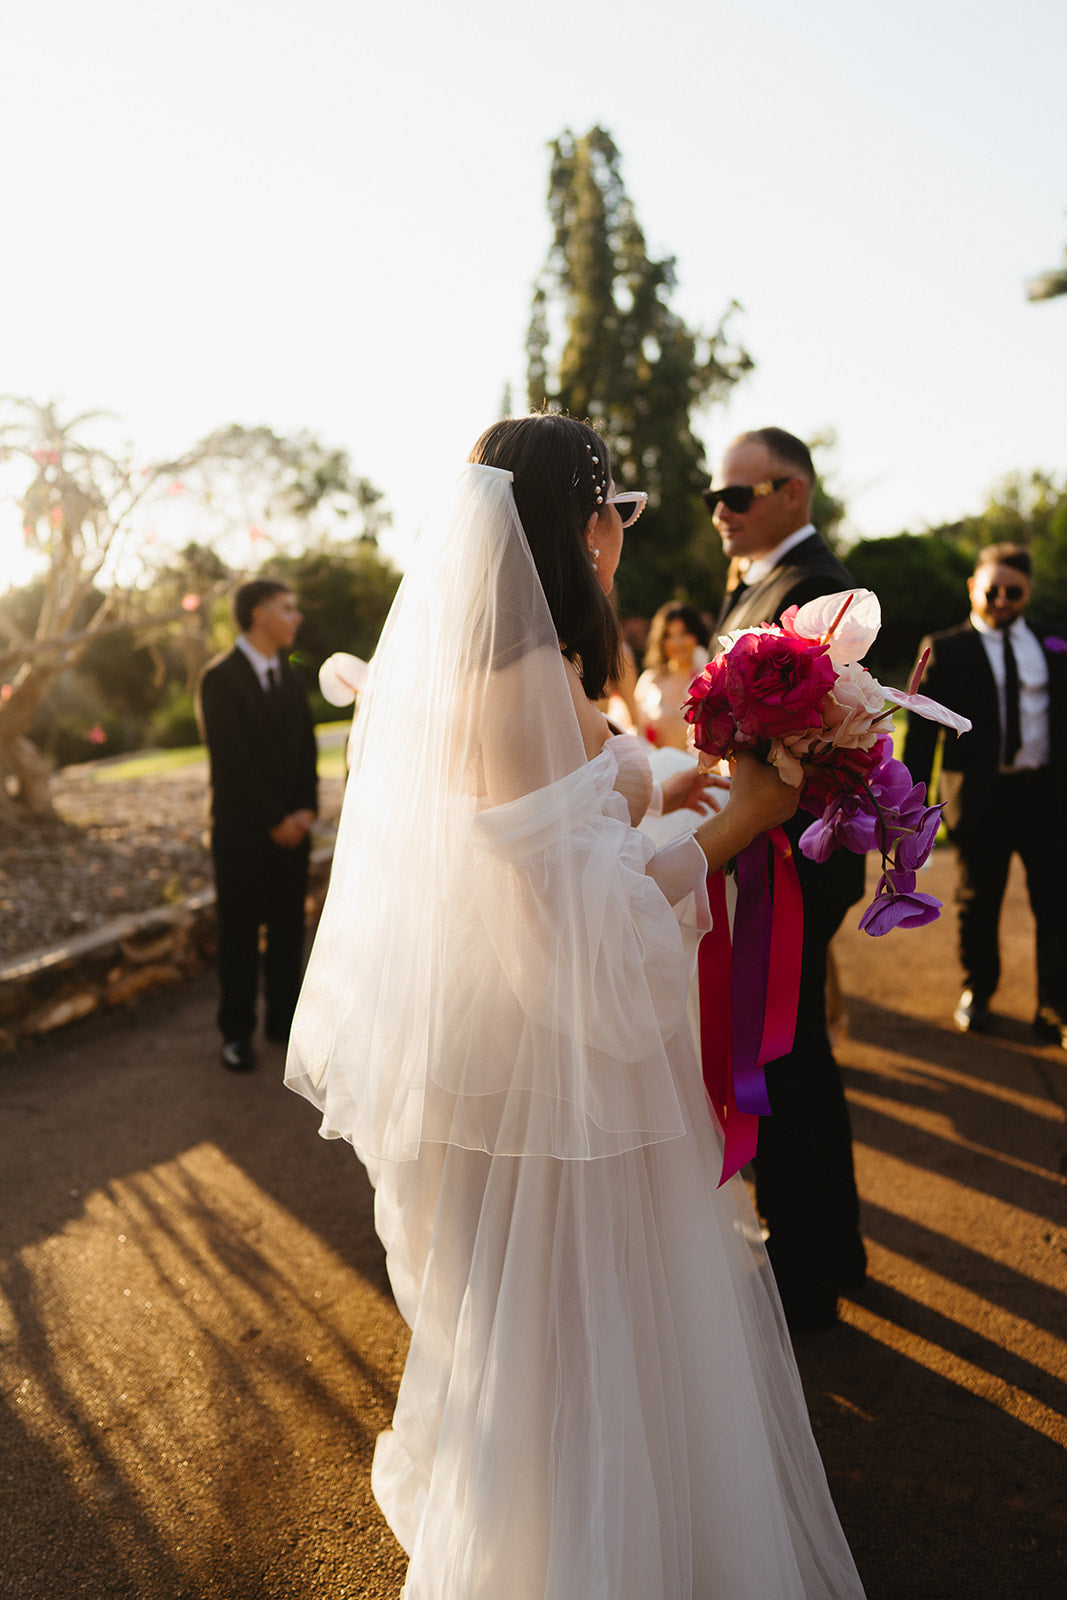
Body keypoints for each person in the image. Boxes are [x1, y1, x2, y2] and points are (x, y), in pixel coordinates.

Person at [286, 414, 866, 1599]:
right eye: (612, 518)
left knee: (572, 1356)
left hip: (537, 1068)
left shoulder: (520, 666)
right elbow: (579, 932)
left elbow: (567, 791)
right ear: (579, 525)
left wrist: (665, 772)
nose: (616, 542)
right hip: (565, 1089)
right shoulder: (515, 678)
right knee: (582, 1354)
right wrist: (738, 822)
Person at [703, 426, 867, 1331]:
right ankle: (832, 1245)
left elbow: (805, 743)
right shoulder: (765, 582)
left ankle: (807, 1273)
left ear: (793, 491)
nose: (719, 513)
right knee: (796, 1052)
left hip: (791, 856)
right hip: (771, 847)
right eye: (713, 498)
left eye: (737, 495)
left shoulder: (813, 592)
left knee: (779, 1059)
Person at [902, 543, 1067, 1044]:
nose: (999, 599)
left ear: (1027, 593)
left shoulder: (1054, 641)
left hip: (1047, 796)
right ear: (973, 587)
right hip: (981, 797)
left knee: (1057, 903)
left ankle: (1055, 1005)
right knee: (979, 901)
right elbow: (924, 730)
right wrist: (911, 804)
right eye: (990, 589)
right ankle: (979, 988)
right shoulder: (946, 648)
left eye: (1011, 591)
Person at [197, 579, 318, 1072]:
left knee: (290, 930)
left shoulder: (290, 674)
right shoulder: (219, 678)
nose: (297, 617)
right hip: (243, 835)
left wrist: (306, 808)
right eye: (287, 608)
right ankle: (237, 1033)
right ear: (257, 614)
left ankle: (284, 1024)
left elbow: (306, 749)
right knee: (240, 935)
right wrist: (274, 819)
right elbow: (231, 763)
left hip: (295, 830)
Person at [634, 602, 711, 749]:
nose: (677, 643)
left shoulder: (708, 679)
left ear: (696, 635)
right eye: (670, 636)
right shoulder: (649, 680)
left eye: (684, 634)